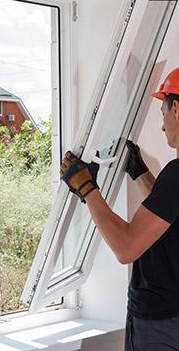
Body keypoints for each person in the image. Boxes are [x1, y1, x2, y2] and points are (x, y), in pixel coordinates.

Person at [60, 67, 179, 351]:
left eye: (162, 114)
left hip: (161, 322)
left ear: (176, 108)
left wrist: (87, 188)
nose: (162, 126)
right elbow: (168, 216)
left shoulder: (176, 174)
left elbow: (126, 247)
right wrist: (140, 173)